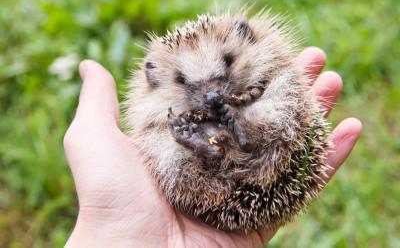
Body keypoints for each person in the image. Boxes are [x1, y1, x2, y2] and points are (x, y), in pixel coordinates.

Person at [63, 47, 362, 247]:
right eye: (183, 80)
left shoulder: (263, 59)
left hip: (269, 149)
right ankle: (229, 135)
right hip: (206, 181)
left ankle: (221, 140)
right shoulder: (156, 102)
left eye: (227, 64)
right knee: (164, 146)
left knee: (284, 99)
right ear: (154, 79)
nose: (211, 91)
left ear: (246, 38)